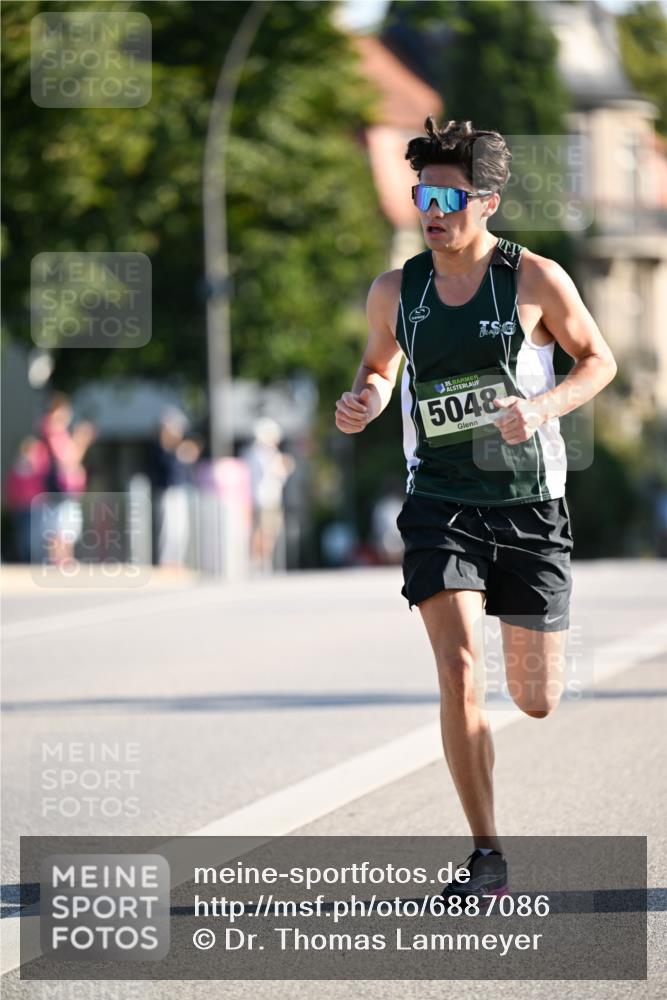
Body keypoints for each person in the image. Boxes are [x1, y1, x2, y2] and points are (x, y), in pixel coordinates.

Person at [334, 118, 617, 897]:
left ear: (485, 202)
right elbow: (377, 365)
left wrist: (544, 405)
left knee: (533, 699)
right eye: (420, 193)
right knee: (458, 672)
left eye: (446, 196)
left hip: (527, 503)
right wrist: (364, 398)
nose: (431, 209)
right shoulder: (396, 290)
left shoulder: (534, 279)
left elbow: (599, 360)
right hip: (439, 502)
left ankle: (524, 704)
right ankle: (486, 855)